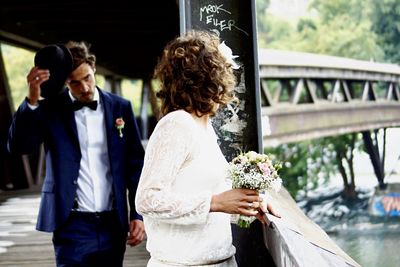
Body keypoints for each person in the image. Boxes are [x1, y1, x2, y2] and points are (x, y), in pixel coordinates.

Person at [135, 31, 280, 267]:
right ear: (208, 80)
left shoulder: (203, 126)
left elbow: (210, 195)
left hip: (221, 259)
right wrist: (215, 202)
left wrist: (250, 205)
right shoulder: (176, 125)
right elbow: (147, 199)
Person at [7, 41, 145, 267]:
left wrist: (137, 215)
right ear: (65, 83)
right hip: (71, 223)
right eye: (74, 82)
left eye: (88, 78)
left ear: (94, 69)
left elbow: (135, 166)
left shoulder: (121, 108)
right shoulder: (51, 109)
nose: (85, 87)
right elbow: (18, 147)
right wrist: (32, 100)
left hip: (113, 222)